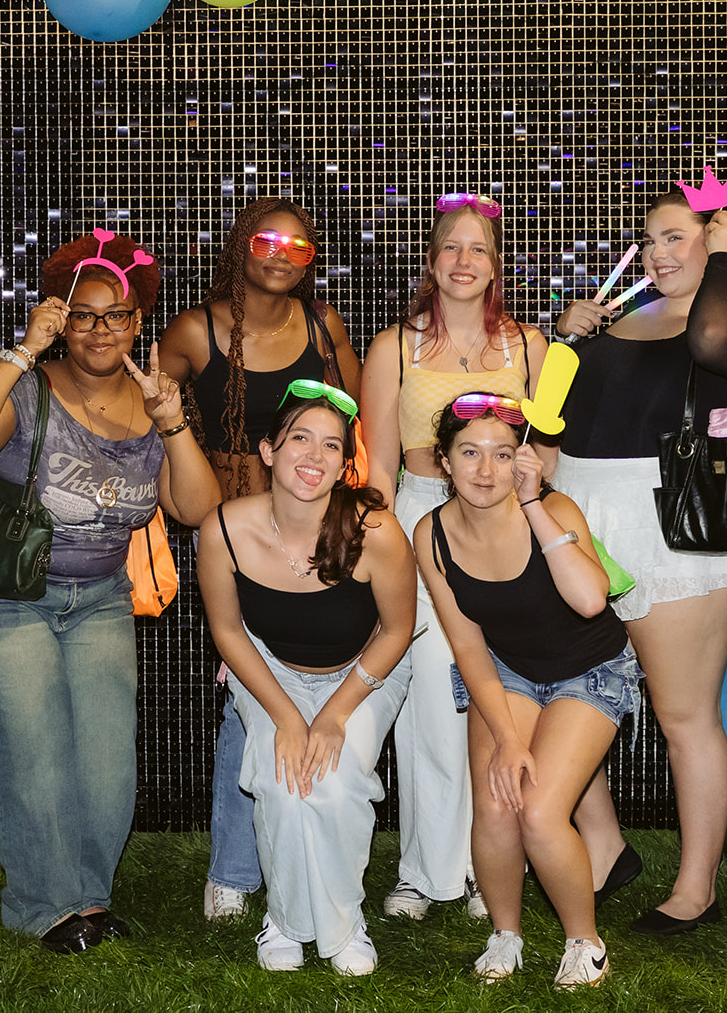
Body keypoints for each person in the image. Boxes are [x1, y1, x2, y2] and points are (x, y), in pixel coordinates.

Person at [0, 232, 219, 954]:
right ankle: (44, 905)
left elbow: (194, 507)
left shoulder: (157, 404)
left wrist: (172, 420)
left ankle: (89, 896)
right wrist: (25, 350)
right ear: (62, 317)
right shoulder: (31, 389)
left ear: (137, 322)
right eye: (84, 315)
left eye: (115, 315)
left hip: (98, 597)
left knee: (106, 754)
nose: (98, 330)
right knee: (31, 746)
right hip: (4, 594)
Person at [550, 192, 727, 933]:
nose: (657, 253)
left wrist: (726, 255)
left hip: (677, 524)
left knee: (682, 715)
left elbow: (712, 339)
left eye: (676, 237)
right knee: (558, 687)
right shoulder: (617, 320)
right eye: (648, 239)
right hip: (583, 520)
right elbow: (550, 418)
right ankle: (608, 845)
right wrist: (567, 339)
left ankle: (696, 889)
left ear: (715, 246)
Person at [158, 198, 362, 922]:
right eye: (269, 239)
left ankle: (263, 862)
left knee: (269, 696)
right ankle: (236, 870)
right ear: (241, 244)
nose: (282, 253)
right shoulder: (194, 330)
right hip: (235, 538)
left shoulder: (323, 325)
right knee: (246, 696)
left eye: (300, 247)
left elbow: (349, 430)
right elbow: (148, 410)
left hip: (313, 539)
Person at [359, 192, 550, 920]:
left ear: (496, 266)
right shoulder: (392, 347)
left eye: (479, 250)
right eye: (451, 248)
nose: (464, 262)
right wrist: (372, 543)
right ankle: (424, 870)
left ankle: (485, 865)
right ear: (432, 262)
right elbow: (376, 464)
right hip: (423, 520)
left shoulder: (528, 347)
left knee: (501, 698)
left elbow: (546, 448)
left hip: (506, 532)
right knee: (434, 701)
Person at [416, 393, 640, 989]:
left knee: (540, 812)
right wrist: (509, 738)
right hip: (506, 669)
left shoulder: (555, 506)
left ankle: (584, 941)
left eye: (501, 454)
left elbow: (591, 601)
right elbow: (467, 648)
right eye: (469, 453)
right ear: (443, 461)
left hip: (590, 669)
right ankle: (505, 935)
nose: (486, 471)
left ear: (522, 460)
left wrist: (535, 503)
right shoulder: (430, 534)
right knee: (495, 803)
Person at [196, 381, 415, 975]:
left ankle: (344, 925)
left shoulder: (376, 532)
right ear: (268, 450)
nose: (313, 458)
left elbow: (397, 632)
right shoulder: (223, 530)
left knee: (336, 784)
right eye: (300, 440)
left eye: (331, 447)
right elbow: (230, 632)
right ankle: (288, 922)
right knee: (283, 779)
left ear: (346, 464)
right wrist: (289, 719)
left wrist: (334, 715)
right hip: (268, 670)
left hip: (366, 671)